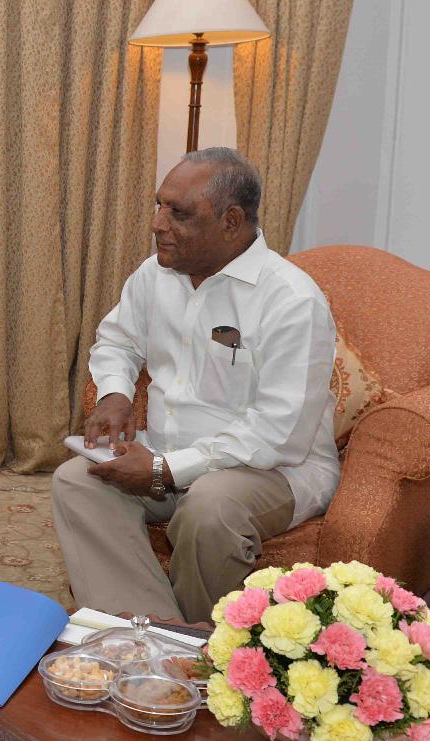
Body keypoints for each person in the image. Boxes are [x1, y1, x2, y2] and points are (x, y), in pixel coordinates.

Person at [51, 147, 340, 625]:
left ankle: (203, 648)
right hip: (168, 453)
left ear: (231, 221)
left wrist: (165, 469)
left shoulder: (291, 300)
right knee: (76, 482)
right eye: (159, 206)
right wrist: (115, 393)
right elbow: (117, 340)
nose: (158, 224)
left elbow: (279, 433)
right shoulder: (155, 275)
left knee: (208, 509)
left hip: (274, 470)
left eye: (179, 213)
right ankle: (151, 635)